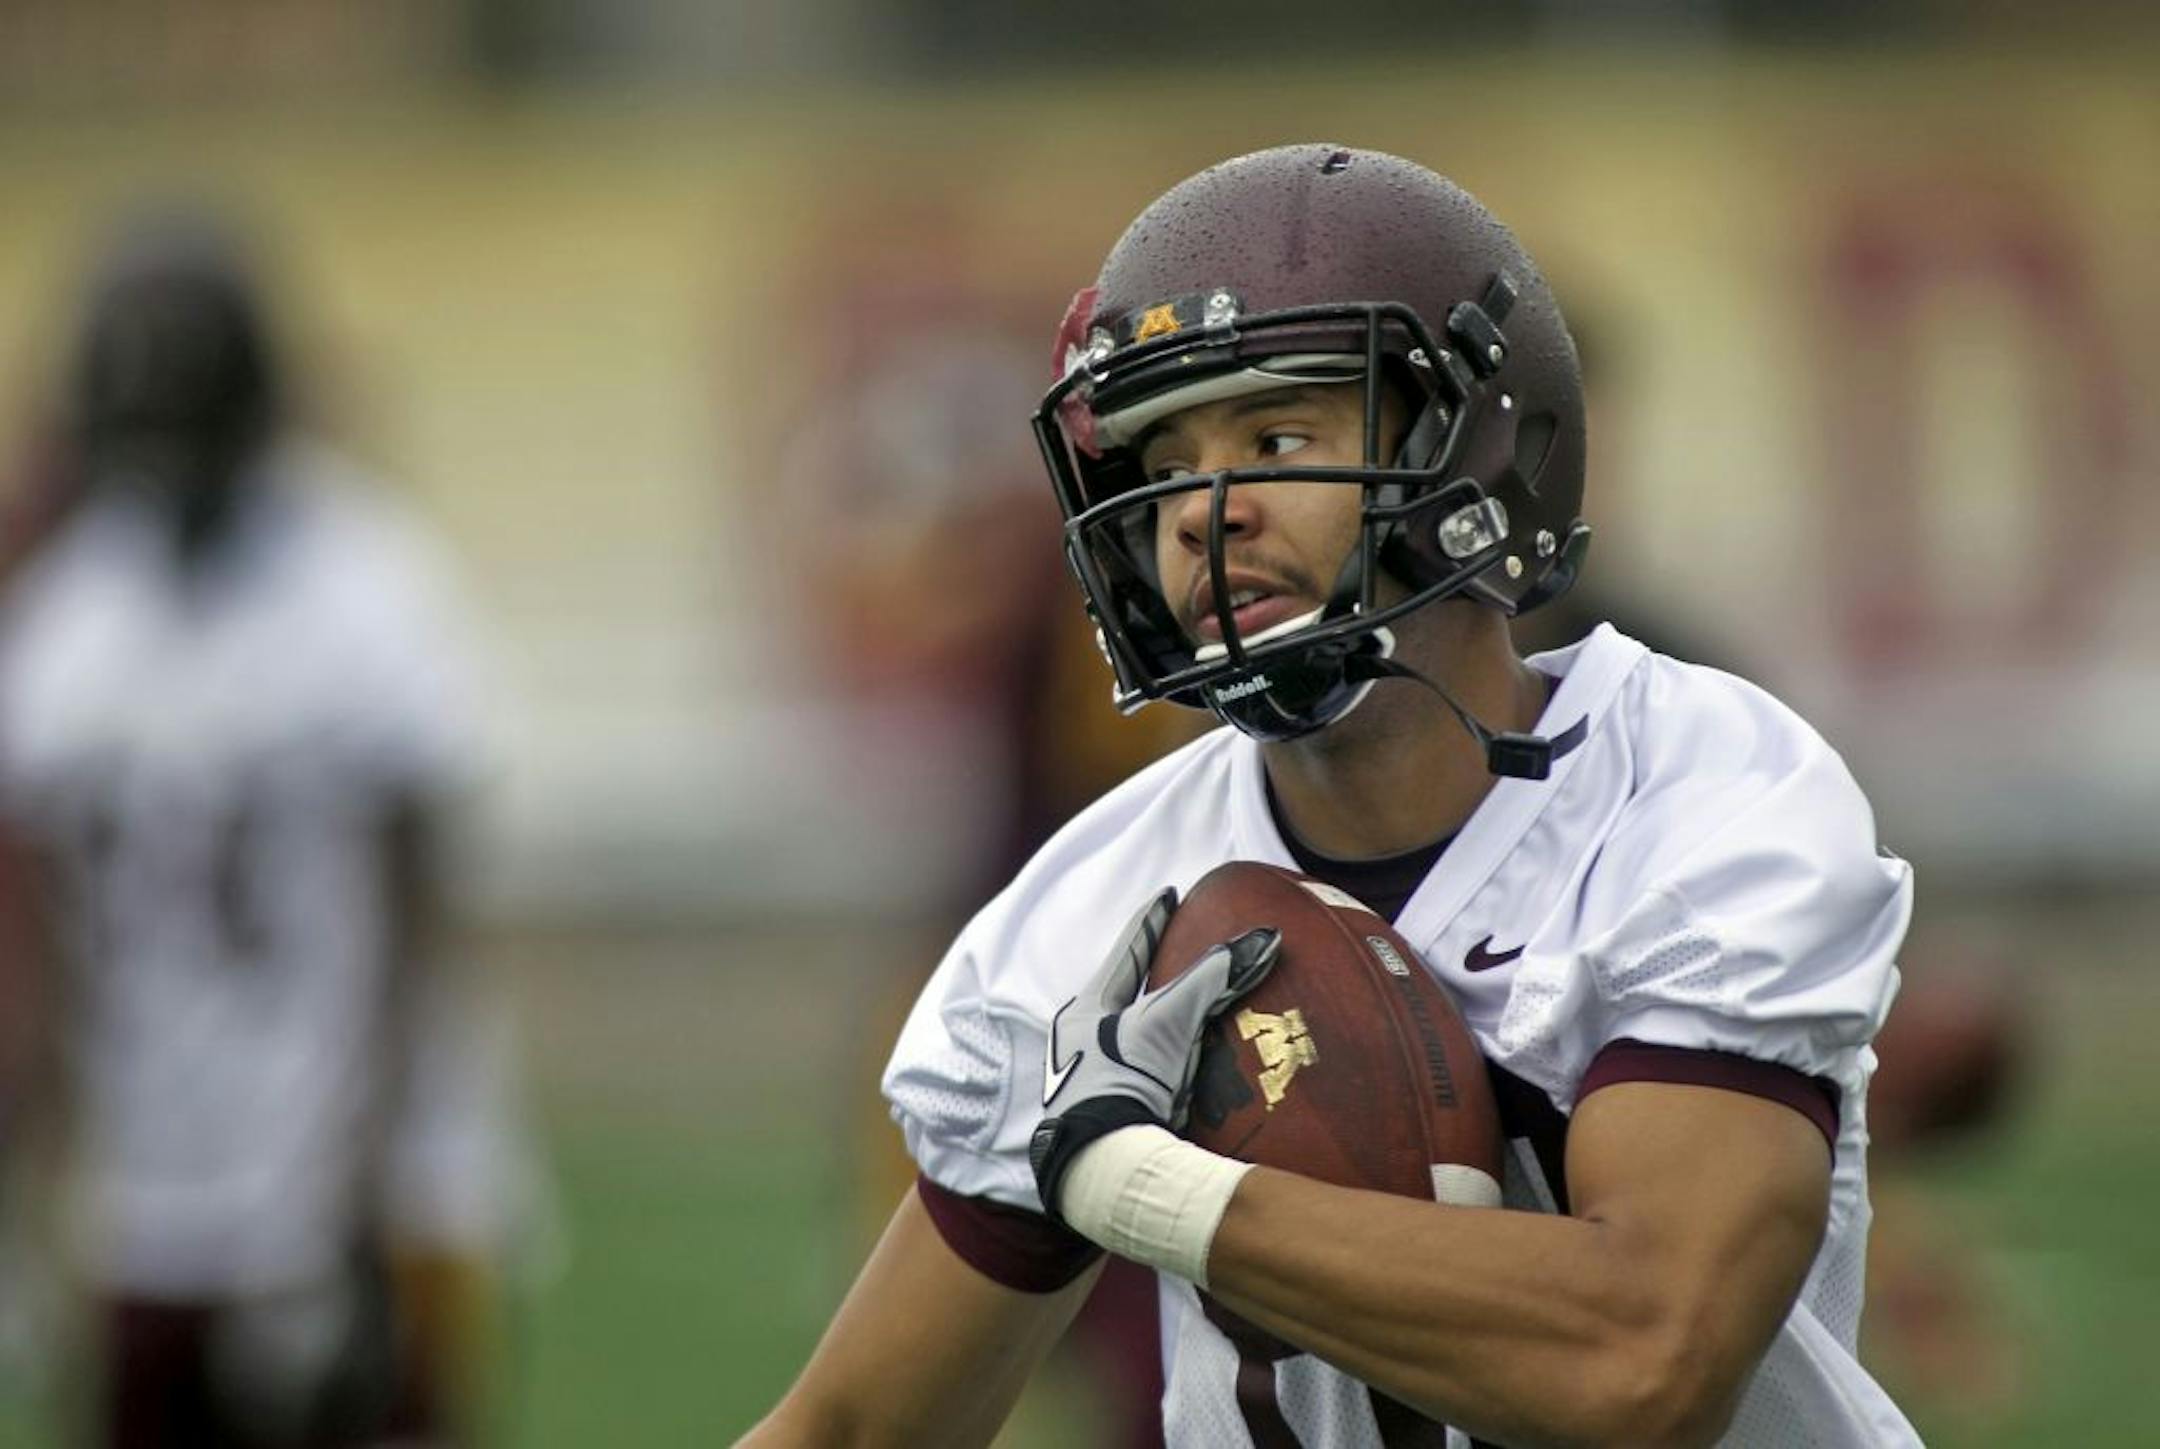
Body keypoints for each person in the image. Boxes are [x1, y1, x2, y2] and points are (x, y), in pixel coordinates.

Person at [744, 144, 1917, 1448]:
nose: (1204, 513)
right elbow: (848, 1429)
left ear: (1479, 449)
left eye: (1278, 435)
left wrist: (1146, 1186)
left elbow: (1642, 1364)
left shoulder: (1696, 791)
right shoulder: (1095, 912)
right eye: (1166, 465)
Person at [0, 208, 531, 1448]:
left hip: (354, 1189)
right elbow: (49, 936)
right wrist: (35, 1182)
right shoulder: (76, 610)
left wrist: (356, 1198)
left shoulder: (366, 589)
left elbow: (421, 914)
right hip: (157, 1191)